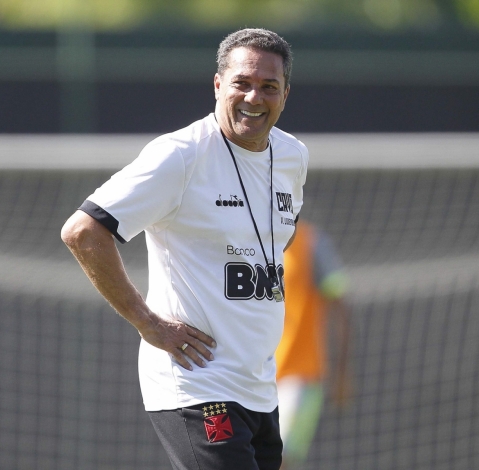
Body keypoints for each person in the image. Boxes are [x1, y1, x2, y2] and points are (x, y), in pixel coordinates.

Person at [61, 28, 308, 470]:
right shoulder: (180, 155)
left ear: (285, 94)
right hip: (197, 383)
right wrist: (148, 323)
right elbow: (83, 231)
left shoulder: (292, 156)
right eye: (242, 83)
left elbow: (277, 240)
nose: (254, 97)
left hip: (258, 385)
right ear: (218, 85)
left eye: (269, 86)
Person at [275, 219, 350, 469]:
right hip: (255, 376)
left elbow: (340, 307)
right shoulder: (246, 239)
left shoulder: (312, 242)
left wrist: (342, 373)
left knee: (279, 459)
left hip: (300, 375)